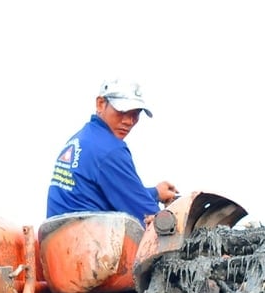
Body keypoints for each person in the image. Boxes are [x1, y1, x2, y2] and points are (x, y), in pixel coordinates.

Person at [46, 79, 178, 225]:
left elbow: (116, 194)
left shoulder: (80, 140)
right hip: (90, 243)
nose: (129, 121)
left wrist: (155, 193)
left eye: (136, 113)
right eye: (122, 111)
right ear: (101, 104)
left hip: (60, 239)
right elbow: (151, 217)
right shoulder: (110, 151)